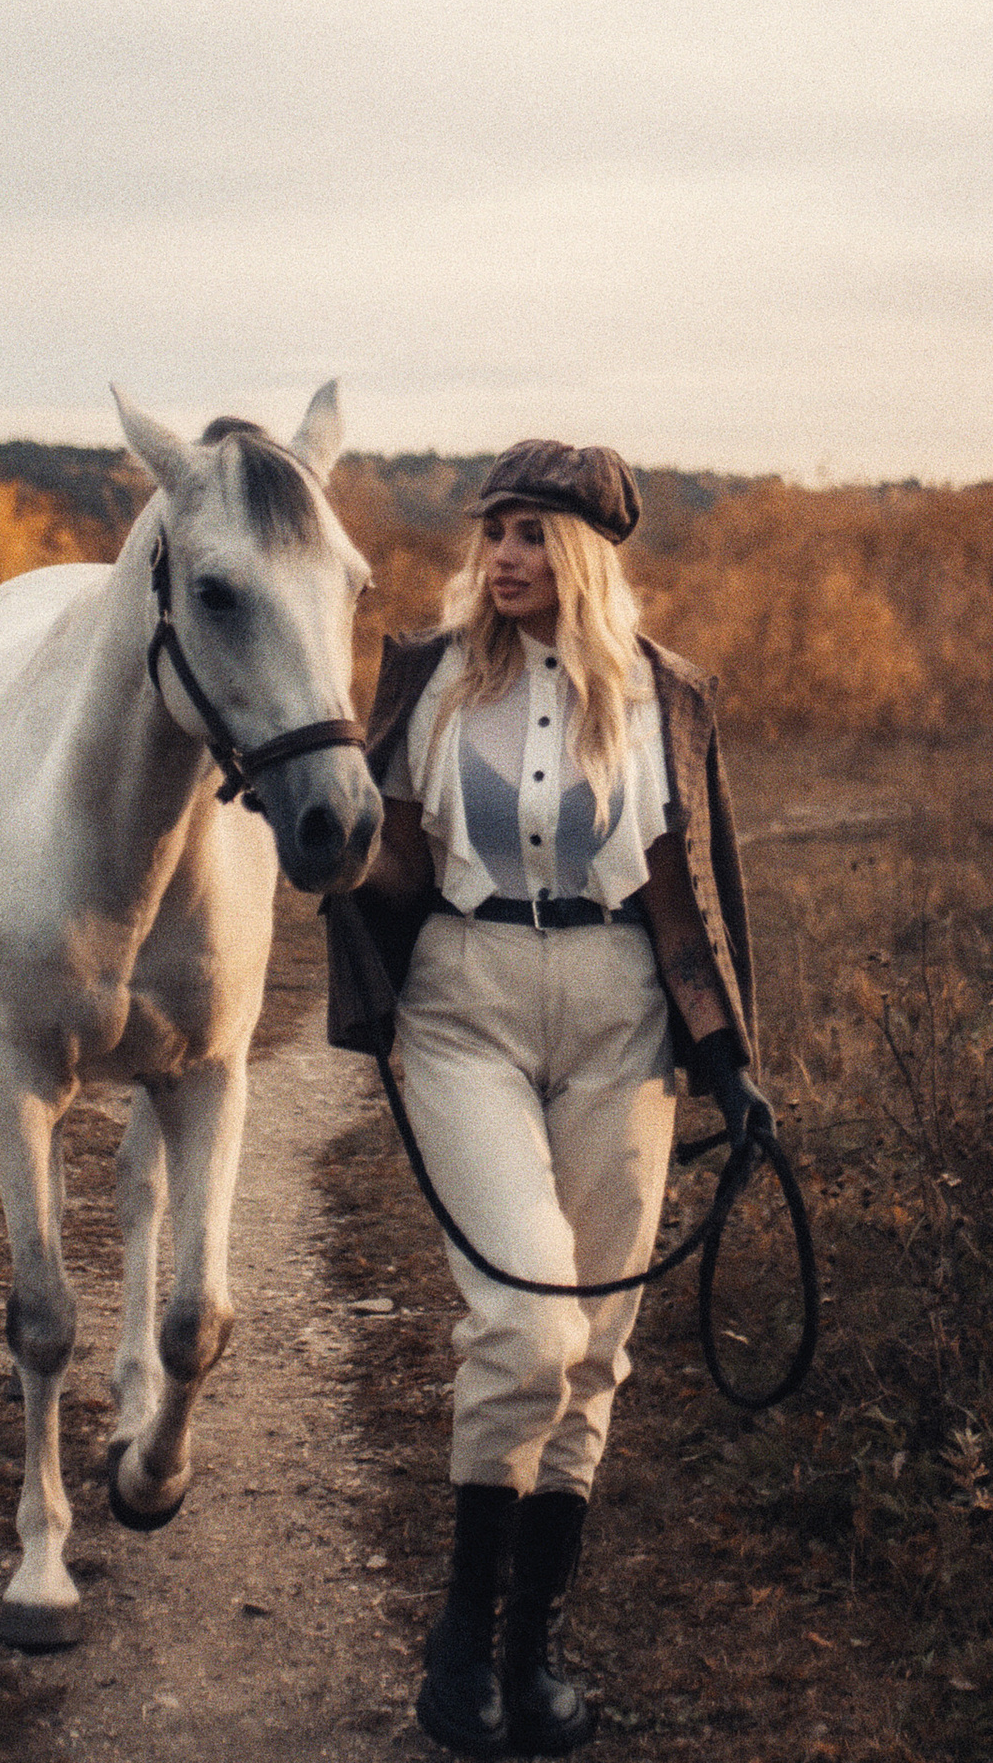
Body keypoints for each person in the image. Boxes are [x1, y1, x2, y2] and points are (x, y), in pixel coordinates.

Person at [324, 439, 772, 1756]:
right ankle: (462, 1631)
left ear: (579, 553)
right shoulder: (431, 676)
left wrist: (733, 1071)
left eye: (529, 535)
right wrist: (338, 836)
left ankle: (535, 1651)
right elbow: (399, 872)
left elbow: (685, 906)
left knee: (601, 1348)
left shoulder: (661, 697)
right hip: (467, 1003)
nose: (503, 556)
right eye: (494, 531)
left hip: (622, 1013)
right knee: (529, 1325)